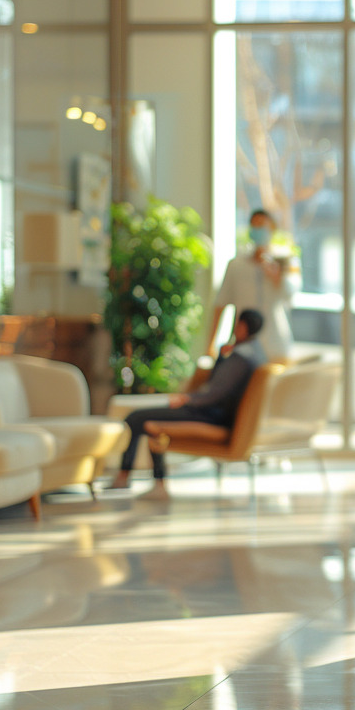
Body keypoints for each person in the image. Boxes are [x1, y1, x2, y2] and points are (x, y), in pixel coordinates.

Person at [110, 309, 266, 500]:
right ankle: (154, 483)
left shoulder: (240, 358)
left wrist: (189, 399)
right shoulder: (257, 353)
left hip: (208, 414)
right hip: (215, 413)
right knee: (149, 423)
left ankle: (124, 477)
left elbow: (216, 392)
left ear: (242, 327)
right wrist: (220, 357)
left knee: (135, 418)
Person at [211, 209, 301, 364]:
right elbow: (221, 304)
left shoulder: (286, 261)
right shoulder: (237, 265)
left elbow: (291, 294)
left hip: (275, 344)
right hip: (243, 345)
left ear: (272, 229)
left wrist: (276, 277)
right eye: (254, 226)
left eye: (262, 225)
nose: (258, 230)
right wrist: (210, 345)